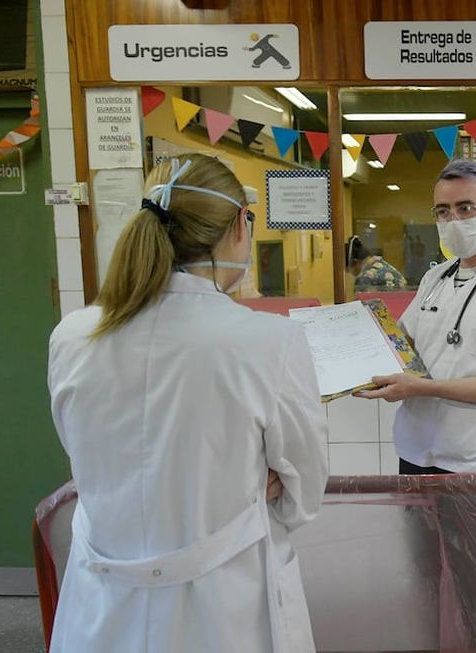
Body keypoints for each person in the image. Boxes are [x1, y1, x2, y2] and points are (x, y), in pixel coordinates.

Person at [47, 154, 328, 653]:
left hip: (103, 605)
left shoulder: (73, 335)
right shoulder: (270, 341)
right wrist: (240, 483)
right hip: (227, 608)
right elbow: (303, 490)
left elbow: (88, 454)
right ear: (241, 223)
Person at [357, 159, 476, 474]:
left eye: (465, 208)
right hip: (416, 451)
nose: (453, 220)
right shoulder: (435, 278)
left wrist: (421, 388)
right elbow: (401, 350)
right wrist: (350, 362)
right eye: (443, 211)